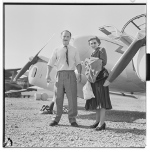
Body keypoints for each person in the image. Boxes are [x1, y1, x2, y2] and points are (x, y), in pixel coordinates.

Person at [46, 30, 82, 127]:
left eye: (67, 36)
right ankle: (55, 119)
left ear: (70, 38)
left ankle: (72, 120)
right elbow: (50, 62)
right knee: (58, 97)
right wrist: (47, 74)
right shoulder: (56, 49)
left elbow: (78, 63)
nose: (65, 38)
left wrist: (79, 74)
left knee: (72, 98)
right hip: (60, 74)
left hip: (71, 74)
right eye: (64, 36)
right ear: (61, 37)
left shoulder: (74, 50)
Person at [85, 36, 112, 131]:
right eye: (91, 43)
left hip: (101, 77)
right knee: (97, 100)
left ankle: (102, 123)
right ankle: (97, 121)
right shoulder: (92, 53)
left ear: (98, 43)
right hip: (94, 78)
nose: (93, 44)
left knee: (102, 100)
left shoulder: (101, 49)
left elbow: (103, 62)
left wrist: (90, 62)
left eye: (94, 43)